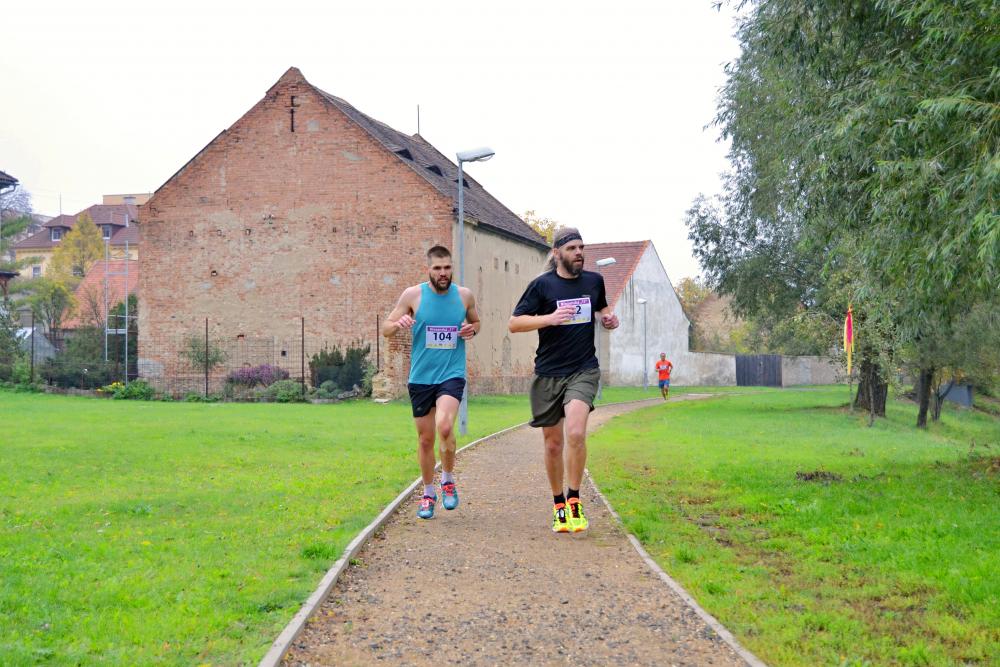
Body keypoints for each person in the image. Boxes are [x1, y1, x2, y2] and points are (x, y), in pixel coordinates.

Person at [509, 227, 619, 533]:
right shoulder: (541, 286)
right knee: (553, 443)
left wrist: (610, 319)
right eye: (572, 248)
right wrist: (549, 319)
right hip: (548, 373)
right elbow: (514, 323)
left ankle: (574, 499)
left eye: (581, 247)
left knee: (576, 432)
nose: (579, 253)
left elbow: (604, 309)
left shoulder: (594, 281)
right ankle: (558, 504)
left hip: (583, 369)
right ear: (557, 253)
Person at [382, 245, 481, 519]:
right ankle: (428, 493)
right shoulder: (413, 295)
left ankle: (447, 479)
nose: (443, 273)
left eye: (447, 267)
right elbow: (386, 328)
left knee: (445, 426)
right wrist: (399, 323)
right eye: (437, 268)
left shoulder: (464, 296)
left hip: (452, 373)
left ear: (452, 268)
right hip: (421, 377)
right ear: (428, 269)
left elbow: (476, 322)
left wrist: (471, 330)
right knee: (426, 440)